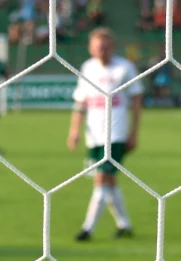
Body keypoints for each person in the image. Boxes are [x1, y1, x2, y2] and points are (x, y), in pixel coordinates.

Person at [68, 27, 141, 241]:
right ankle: (124, 225)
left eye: (107, 47)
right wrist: (74, 130)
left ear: (113, 48)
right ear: (91, 49)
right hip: (94, 136)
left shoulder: (124, 68)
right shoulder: (87, 68)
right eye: (99, 48)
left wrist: (134, 132)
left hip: (116, 135)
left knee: (102, 179)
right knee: (108, 181)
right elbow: (80, 102)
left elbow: (137, 100)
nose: (103, 51)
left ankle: (87, 229)